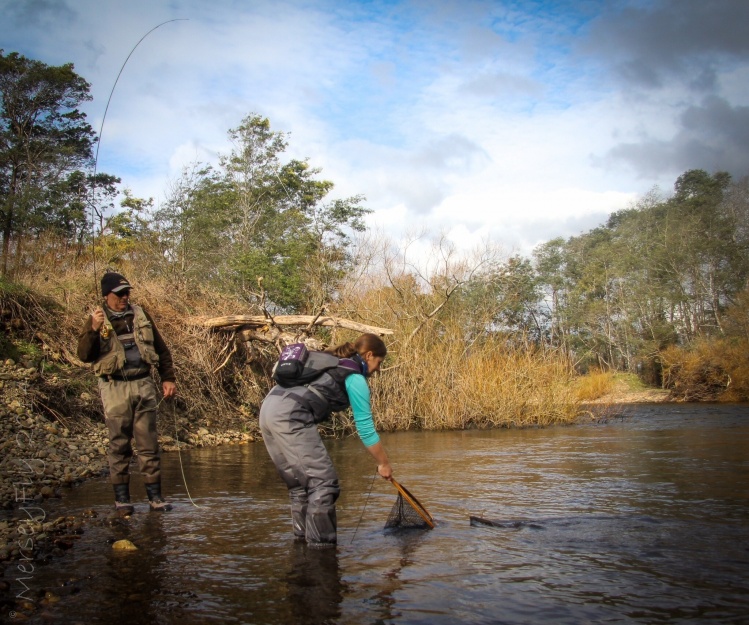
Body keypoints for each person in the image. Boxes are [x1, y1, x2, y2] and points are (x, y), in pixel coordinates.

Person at [259, 333, 393, 548]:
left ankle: (301, 546)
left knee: (300, 487)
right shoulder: (355, 377)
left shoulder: (331, 361)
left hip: (268, 409)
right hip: (290, 415)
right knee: (323, 485)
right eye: (379, 362)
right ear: (369, 355)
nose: (378, 369)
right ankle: (320, 554)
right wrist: (383, 463)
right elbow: (366, 429)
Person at [77, 271, 177, 515]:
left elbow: (162, 349)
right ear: (107, 295)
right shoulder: (96, 319)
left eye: (127, 293)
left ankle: (155, 498)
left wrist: (168, 378)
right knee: (119, 444)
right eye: (120, 294)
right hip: (114, 387)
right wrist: (93, 329)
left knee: (149, 444)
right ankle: (122, 501)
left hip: (143, 384)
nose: (125, 297)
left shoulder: (141, 314)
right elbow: (84, 355)